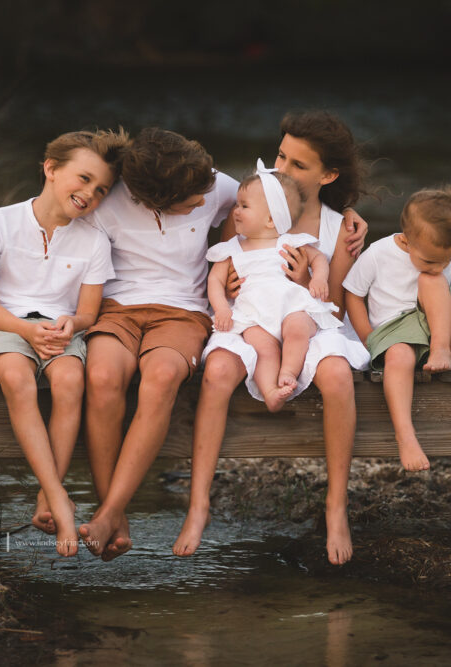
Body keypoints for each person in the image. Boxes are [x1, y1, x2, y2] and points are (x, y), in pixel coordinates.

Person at [174, 111, 370, 565]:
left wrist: (303, 283)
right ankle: (198, 503)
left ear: (328, 175)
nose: (282, 170)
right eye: (281, 156)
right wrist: (227, 298)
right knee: (218, 369)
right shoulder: (250, 210)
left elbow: (333, 305)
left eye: (298, 165)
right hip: (251, 322)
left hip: (305, 321)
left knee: (338, 374)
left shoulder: (340, 228)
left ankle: (336, 506)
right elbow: (225, 276)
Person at [0, 129, 130, 557]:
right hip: (4, 325)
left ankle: (47, 494)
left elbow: (89, 313)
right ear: (51, 169)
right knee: (18, 379)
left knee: (71, 381)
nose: (90, 193)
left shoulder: (93, 240)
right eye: (84, 178)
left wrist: (69, 324)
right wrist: (24, 330)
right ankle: (58, 496)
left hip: (59, 330)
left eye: (101, 189)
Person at [78, 128, 240, 561]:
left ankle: (108, 511)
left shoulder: (216, 185)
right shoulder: (107, 201)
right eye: (192, 200)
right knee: (102, 374)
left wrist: (345, 212)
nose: (206, 202)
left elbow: (280, 201)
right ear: (152, 200)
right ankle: (118, 515)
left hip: (183, 311)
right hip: (116, 307)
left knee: (162, 375)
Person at [343, 186, 451, 472]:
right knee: (400, 356)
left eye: (448, 259)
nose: (441, 266)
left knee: (431, 282)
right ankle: (406, 436)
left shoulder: (448, 257)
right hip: (393, 336)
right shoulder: (379, 253)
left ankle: (440, 348)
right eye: (431, 260)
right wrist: (367, 336)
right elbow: (353, 294)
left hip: (439, 333)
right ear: (406, 241)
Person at [206, 166, 343, 411]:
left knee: (298, 328)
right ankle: (271, 392)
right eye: (237, 204)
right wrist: (221, 309)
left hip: (291, 305)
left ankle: (289, 372)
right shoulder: (232, 248)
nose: (235, 211)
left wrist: (319, 279)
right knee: (263, 348)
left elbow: (318, 259)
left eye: (244, 206)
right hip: (254, 314)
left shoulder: (289, 241)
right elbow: (214, 281)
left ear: (271, 219)